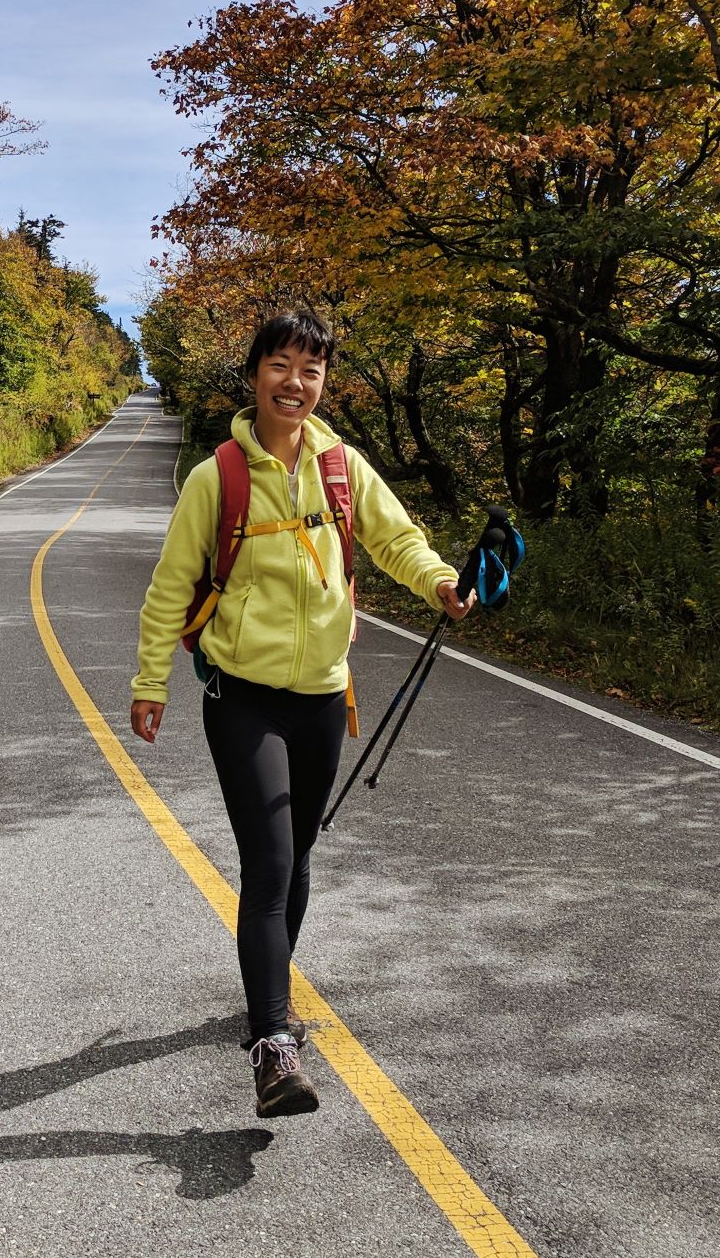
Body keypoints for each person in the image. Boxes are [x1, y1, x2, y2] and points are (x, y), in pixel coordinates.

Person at [129, 309, 474, 1119]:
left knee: (300, 858)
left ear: (325, 383)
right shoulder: (217, 476)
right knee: (272, 862)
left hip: (323, 694)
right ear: (254, 374)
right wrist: (152, 682)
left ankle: (269, 994)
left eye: (312, 369)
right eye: (282, 364)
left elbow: (400, 543)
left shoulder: (343, 466)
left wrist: (444, 584)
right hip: (242, 697)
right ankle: (273, 1043)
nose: (296, 382)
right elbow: (171, 586)